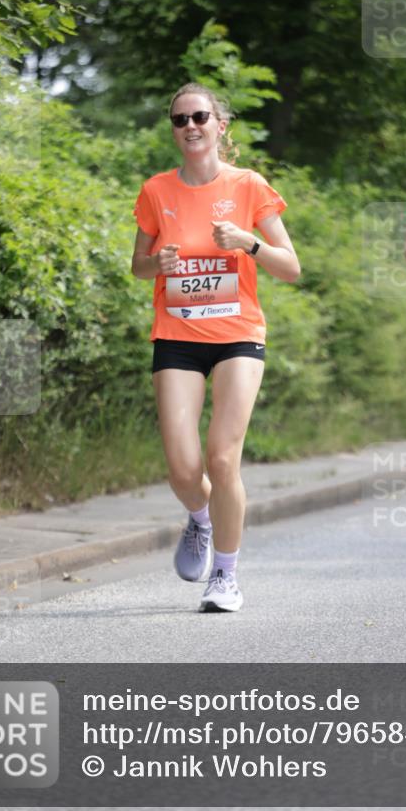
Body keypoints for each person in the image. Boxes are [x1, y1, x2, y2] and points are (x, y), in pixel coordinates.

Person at [131, 82, 300, 611]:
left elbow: (292, 267)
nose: (190, 127)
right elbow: (137, 266)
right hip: (177, 337)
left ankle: (225, 577)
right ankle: (201, 519)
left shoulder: (248, 185)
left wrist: (249, 243)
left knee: (222, 458)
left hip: (238, 336)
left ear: (219, 124)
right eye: (180, 120)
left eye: (199, 116)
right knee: (183, 470)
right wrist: (156, 265)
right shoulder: (157, 191)